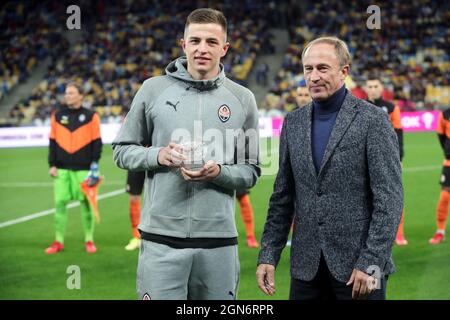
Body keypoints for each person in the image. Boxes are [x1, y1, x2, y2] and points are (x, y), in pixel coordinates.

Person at [112, 8, 260, 300]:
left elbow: (251, 171)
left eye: (211, 42)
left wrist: (219, 172)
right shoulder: (152, 90)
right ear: (183, 44)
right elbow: (121, 150)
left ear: (224, 48)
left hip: (218, 243)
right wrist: (158, 155)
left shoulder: (243, 99)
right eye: (194, 41)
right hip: (160, 239)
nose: (202, 49)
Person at [256, 36, 403, 300]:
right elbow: (283, 197)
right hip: (305, 270)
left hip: (359, 271)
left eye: (322, 68)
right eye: (308, 69)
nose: (313, 76)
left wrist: (371, 262)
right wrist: (268, 254)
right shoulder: (293, 123)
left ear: (344, 71)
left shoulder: (373, 121)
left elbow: (389, 200)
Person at [45, 83, 102, 254]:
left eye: (71, 93)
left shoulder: (91, 116)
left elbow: (96, 143)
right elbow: (52, 142)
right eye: (66, 93)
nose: (67, 96)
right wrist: (52, 164)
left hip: (84, 169)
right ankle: (58, 241)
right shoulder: (57, 116)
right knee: (60, 204)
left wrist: (94, 165)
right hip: (62, 169)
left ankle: (89, 240)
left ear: (81, 96)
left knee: (86, 204)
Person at [366, 75, 407, 246]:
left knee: (393, 195)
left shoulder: (390, 107)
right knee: (365, 197)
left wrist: (399, 159)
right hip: (365, 159)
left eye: (376, 86)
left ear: (381, 88)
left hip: (387, 159)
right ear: (366, 89)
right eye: (370, 86)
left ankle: (399, 233)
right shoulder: (359, 106)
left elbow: (398, 134)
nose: (373, 89)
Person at [429, 108, 450, 244]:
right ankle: (440, 231)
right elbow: (441, 135)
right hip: (449, 162)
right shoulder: (446, 114)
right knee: (445, 196)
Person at [124, 171, 145, 251]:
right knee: (134, 198)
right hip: (137, 164)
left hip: (157, 163)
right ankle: (136, 237)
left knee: (158, 197)